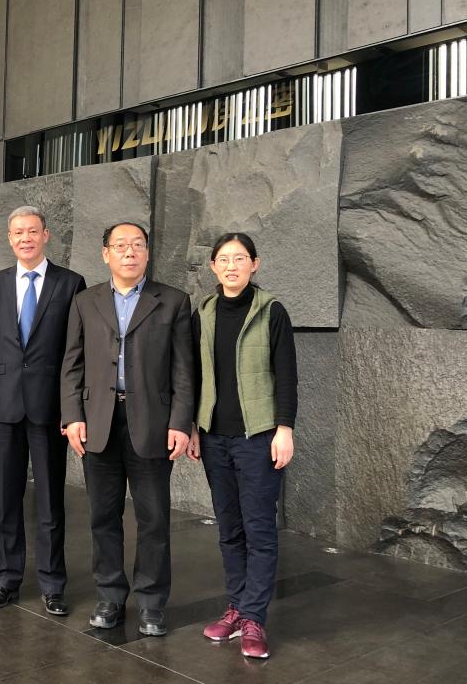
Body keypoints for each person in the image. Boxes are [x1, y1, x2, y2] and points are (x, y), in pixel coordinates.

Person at [61, 222, 194, 637]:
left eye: (137, 245)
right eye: (121, 245)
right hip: (98, 422)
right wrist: (72, 416)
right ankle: (109, 596)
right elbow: (72, 364)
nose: (129, 252)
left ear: (148, 253)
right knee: (103, 515)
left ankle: (151, 602)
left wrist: (180, 422)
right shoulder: (85, 301)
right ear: (106, 254)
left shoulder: (173, 301)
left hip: (152, 424)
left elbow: (184, 370)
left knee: (154, 518)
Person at [186, 232, 297, 660]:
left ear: (255, 264)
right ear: (213, 266)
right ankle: (235, 607)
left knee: (259, 529)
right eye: (224, 259)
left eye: (240, 258)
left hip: (259, 437)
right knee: (229, 528)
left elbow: (286, 375)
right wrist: (196, 427)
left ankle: (254, 618)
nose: (231, 266)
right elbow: (196, 376)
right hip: (215, 437)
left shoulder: (271, 311)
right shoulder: (204, 313)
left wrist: (284, 429)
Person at [0, 205, 85, 615]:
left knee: (51, 501)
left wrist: (72, 409)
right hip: (4, 405)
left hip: (50, 408)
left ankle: (53, 583)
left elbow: (76, 351)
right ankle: (5, 578)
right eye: (18, 232)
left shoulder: (70, 283)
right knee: (7, 498)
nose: (26, 238)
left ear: (46, 235)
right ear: (10, 238)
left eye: (33, 231)